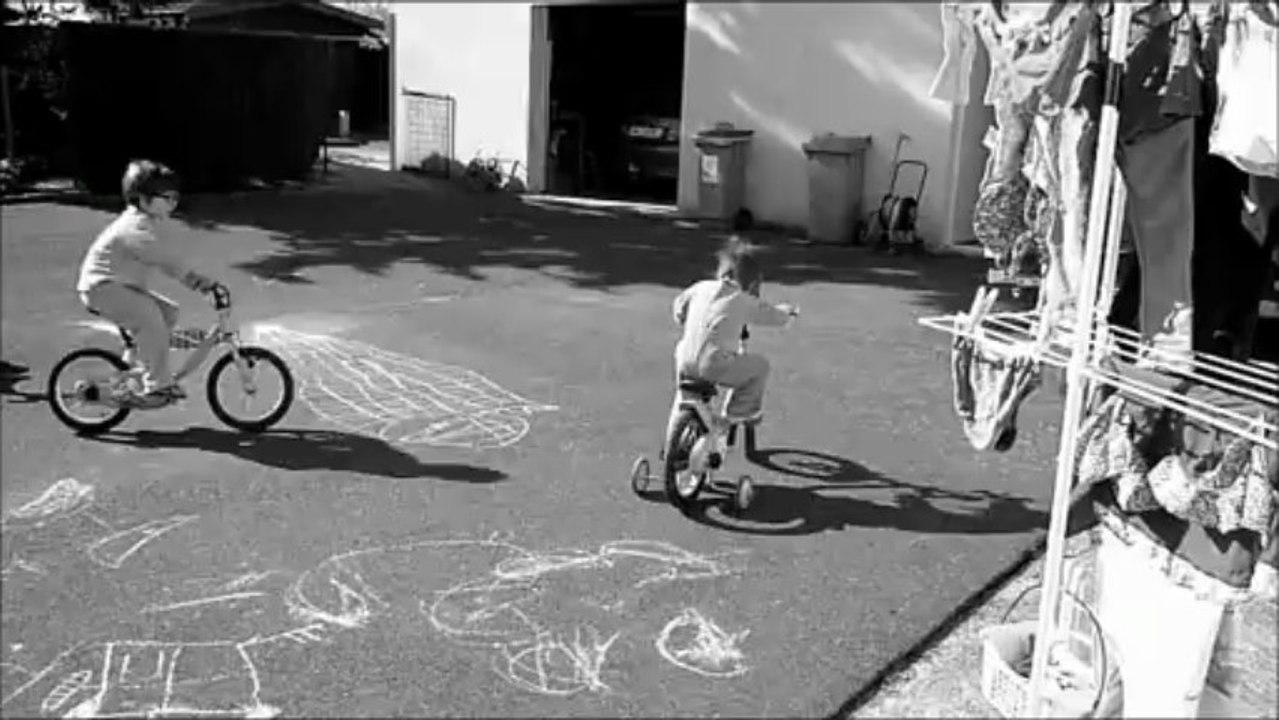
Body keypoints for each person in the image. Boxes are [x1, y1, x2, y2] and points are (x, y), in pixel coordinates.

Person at [76, 160, 221, 405]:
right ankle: (157, 386)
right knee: (150, 319)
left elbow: (165, 253)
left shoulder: (147, 223)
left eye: (176, 197)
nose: (173, 202)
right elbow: (161, 258)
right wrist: (196, 281)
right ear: (143, 200)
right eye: (166, 197)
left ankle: (133, 369)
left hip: (119, 287)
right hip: (103, 288)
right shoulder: (133, 227)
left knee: (168, 313)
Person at [666, 237, 798, 444]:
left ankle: (671, 445)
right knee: (760, 367)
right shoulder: (743, 300)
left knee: (683, 396)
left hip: (685, 362)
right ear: (752, 283)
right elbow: (772, 315)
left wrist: (687, 319)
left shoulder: (699, 287)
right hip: (714, 364)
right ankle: (733, 415)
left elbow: (678, 307)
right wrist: (787, 313)